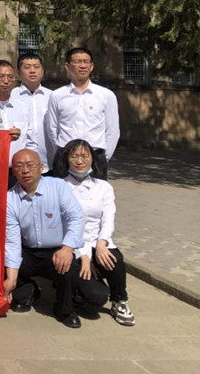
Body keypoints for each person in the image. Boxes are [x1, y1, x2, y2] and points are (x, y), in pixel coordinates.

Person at [4, 149, 88, 328]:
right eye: (19, 166)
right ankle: (28, 291)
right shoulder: (10, 199)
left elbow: (76, 217)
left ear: (41, 168)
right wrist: (11, 279)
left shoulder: (58, 186)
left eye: (30, 165)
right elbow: (12, 241)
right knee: (3, 266)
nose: (25, 171)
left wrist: (67, 248)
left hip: (56, 250)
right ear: (13, 172)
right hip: (28, 251)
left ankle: (64, 310)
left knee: (70, 268)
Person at [59, 139, 135, 326]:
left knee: (114, 259)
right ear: (67, 159)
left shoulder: (104, 187)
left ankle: (120, 301)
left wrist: (102, 243)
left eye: (85, 156)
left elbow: (108, 218)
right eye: (74, 156)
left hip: (96, 241)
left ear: (93, 159)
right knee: (96, 296)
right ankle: (76, 294)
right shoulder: (59, 187)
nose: (80, 161)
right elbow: (62, 226)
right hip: (72, 246)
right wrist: (83, 255)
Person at [46, 47, 120, 179]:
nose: (83, 65)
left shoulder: (106, 95)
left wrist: (101, 157)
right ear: (68, 66)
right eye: (77, 62)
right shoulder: (57, 95)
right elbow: (52, 129)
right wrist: (62, 153)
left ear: (92, 66)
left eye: (86, 62)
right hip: (65, 157)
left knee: (96, 192)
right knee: (62, 192)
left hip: (96, 157)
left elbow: (112, 131)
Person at [12, 54, 52, 171]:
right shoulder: (11, 96)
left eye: (36, 67)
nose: (32, 70)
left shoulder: (53, 97)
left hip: (49, 162)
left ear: (42, 71)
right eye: (27, 67)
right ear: (18, 72)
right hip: (19, 165)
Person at [0, 60, 27, 185]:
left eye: (10, 77)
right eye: (1, 77)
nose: (6, 81)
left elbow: (30, 140)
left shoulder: (23, 108)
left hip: (16, 170)